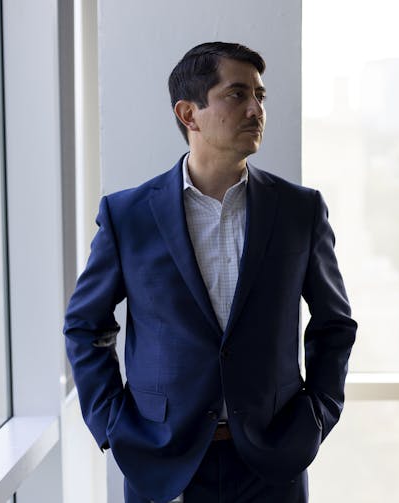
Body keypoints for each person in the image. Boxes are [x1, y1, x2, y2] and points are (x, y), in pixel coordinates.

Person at [63, 41, 357, 503]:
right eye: (237, 94)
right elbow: (85, 326)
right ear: (189, 113)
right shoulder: (128, 215)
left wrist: (317, 416)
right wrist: (112, 424)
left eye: (260, 96)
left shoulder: (300, 210)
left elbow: (334, 324)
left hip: (273, 460)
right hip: (161, 460)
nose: (255, 109)